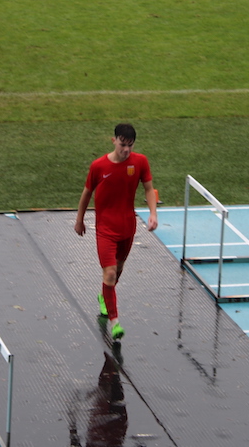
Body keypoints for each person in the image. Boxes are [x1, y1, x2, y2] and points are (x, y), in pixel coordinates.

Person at [74, 123, 158, 340]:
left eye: (130, 146)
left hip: (127, 227)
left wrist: (153, 213)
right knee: (110, 272)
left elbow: (149, 189)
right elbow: (86, 192)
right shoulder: (99, 166)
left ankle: (104, 295)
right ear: (113, 141)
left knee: (117, 270)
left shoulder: (140, 162)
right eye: (122, 145)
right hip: (105, 229)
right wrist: (79, 220)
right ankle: (115, 322)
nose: (126, 150)